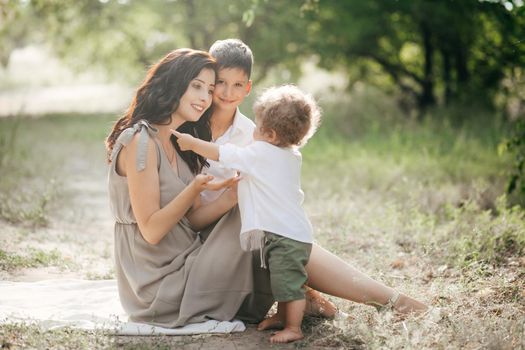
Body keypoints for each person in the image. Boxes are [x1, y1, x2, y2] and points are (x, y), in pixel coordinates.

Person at [204, 38, 429, 321]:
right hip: (209, 232)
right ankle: (322, 295)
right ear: (209, 80)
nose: (227, 92)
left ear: (248, 87)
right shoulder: (191, 123)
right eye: (221, 82)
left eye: (237, 84)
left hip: (249, 227)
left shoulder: (256, 133)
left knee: (283, 234)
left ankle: (392, 300)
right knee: (277, 234)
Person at [105, 48, 274, 328]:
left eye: (209, 90)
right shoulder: (140, 141)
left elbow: (190, 221)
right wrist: (193, 189)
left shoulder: (178, 142)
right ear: (173, 83)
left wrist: (231, 196)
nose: (205, 98)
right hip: (159, 285)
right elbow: (152, 230)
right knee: (266, 218)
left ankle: (315, 290)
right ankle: (314, 290)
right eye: (196, 86)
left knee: (255, 205)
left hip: (187, 258)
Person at [172, 84, 321, 343]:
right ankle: (282, 316)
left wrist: (192, 143)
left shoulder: (262, 153)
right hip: (290, 233)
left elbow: (224, 154)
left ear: (271, 135)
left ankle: (294, 328)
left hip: (284, 237)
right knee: (280, 279)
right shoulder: (289, 154)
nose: (252, 131)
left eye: (258, 127)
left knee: (288, 283)